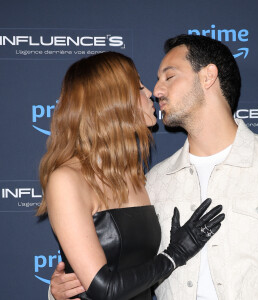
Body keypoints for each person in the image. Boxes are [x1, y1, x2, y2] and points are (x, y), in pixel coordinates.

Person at [49, 34, 258, 300]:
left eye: (169, 77)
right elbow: (109, 272)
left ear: (207, 77)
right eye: (145, 85)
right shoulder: (153, 182)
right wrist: (59, 292)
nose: (155, 92)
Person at [37, 51, 225, 300]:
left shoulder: (136, 177)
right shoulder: (67, 179)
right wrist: (175, 254)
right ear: (110, 101)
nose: (150, 93)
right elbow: (105, 289)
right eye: (138, 87)